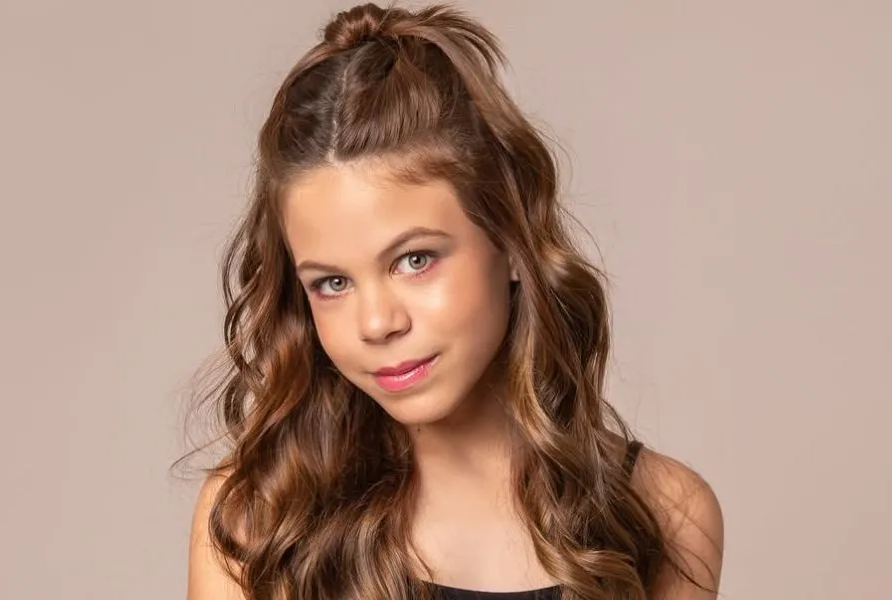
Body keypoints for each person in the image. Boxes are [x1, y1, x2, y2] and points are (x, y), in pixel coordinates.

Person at [185, 3, 723, 599]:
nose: (377, 323)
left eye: (415, 260)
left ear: (512, 242)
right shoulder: (255, 518)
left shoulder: (665, 512)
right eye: (332, 283)